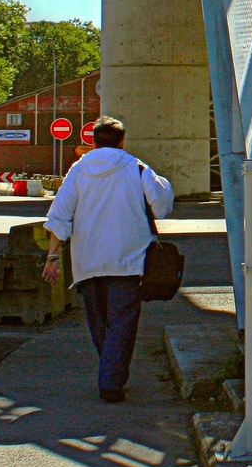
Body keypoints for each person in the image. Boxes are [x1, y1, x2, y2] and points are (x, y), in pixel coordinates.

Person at [42, 116, 174, 402]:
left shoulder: (78, 170)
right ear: (122, 140)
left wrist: (52, 257)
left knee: (100, 323)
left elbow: (59, 216)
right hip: (128, 260)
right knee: (122, 324)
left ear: (92, 141)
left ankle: (110, 373)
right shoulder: (136, 167)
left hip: (87, 263)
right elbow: (162, 206)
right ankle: (111, 379)